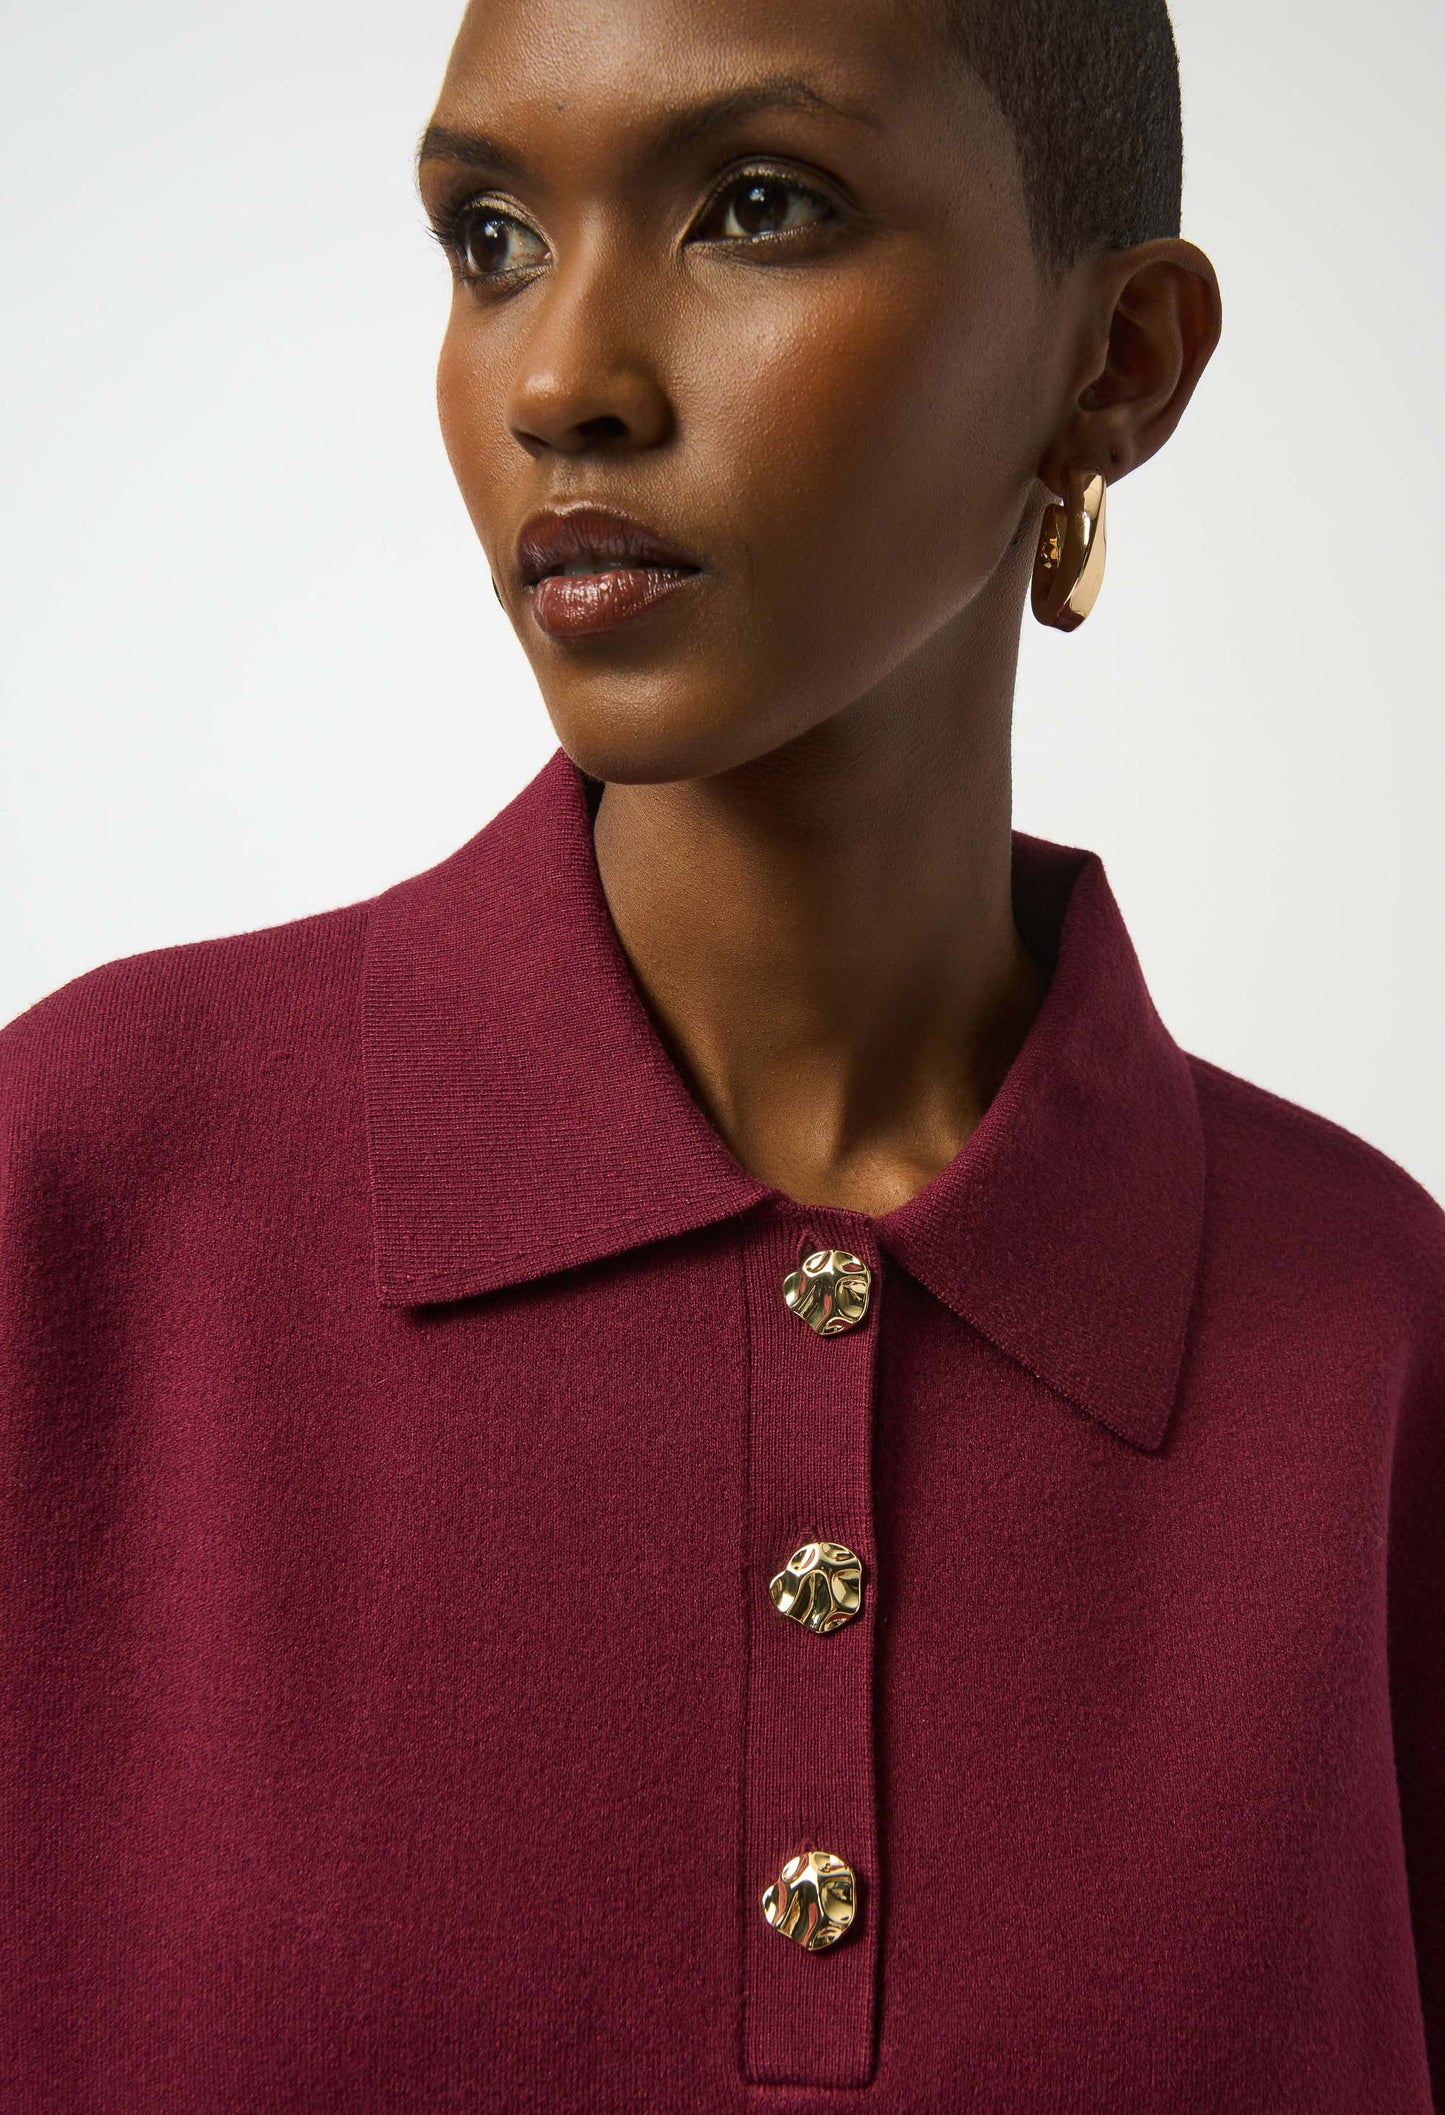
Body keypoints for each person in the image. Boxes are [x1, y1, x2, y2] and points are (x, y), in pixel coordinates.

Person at [2, 0, 1441, 2107]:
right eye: (489, 235)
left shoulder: (1375, 1333)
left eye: (757, 206)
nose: (563, 379)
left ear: (1115, 361)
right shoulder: (90, 1193)